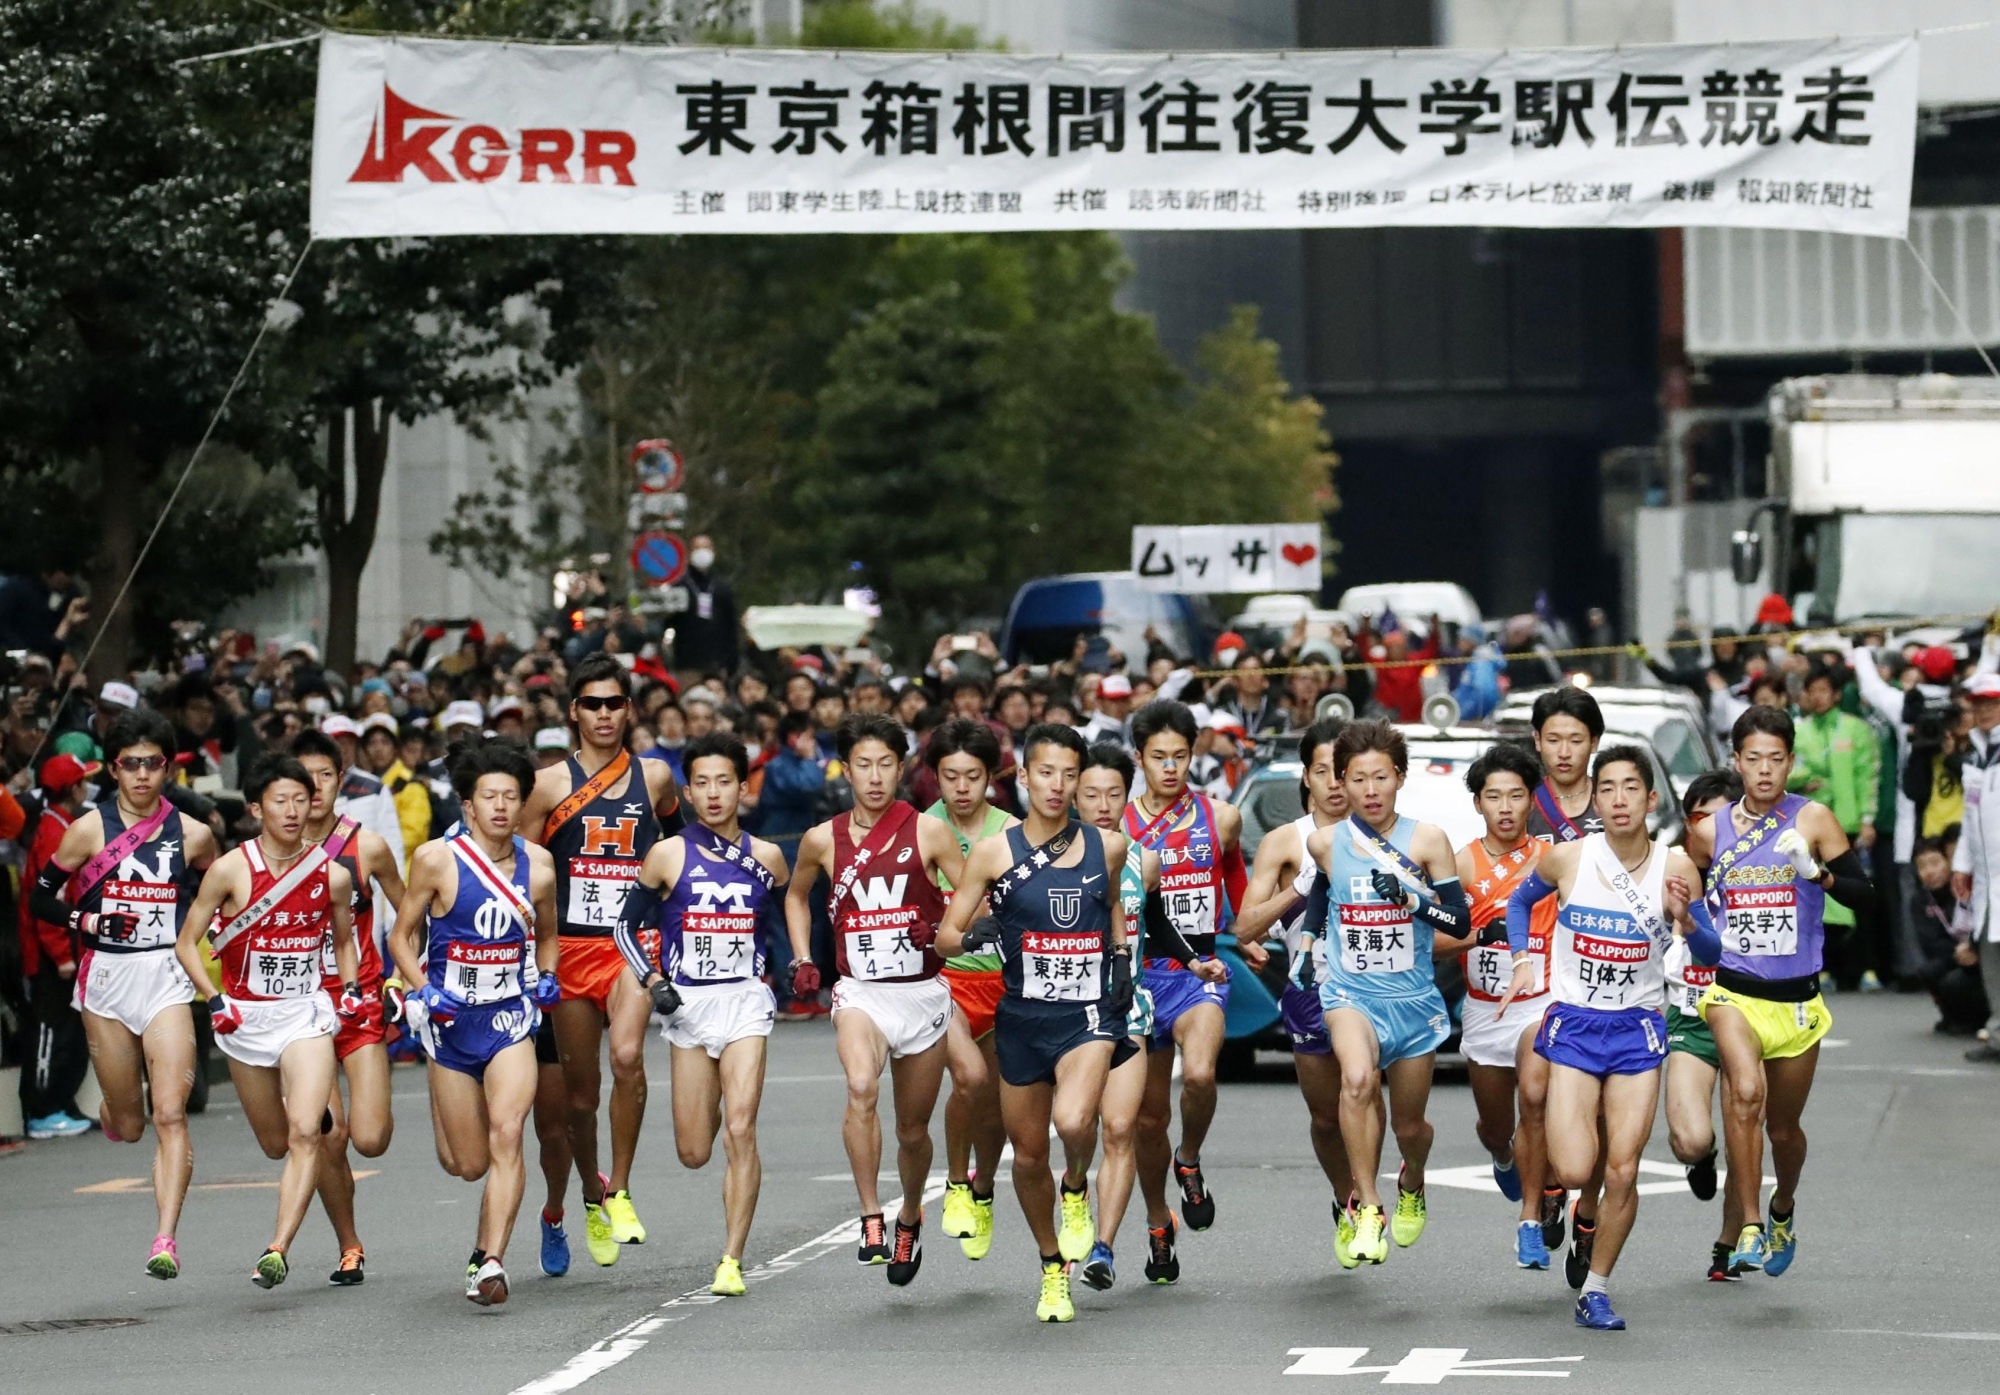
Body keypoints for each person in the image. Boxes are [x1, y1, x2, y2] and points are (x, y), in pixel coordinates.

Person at [1501, 745, 1716, 1330]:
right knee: (1575, 1168)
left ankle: (1596, 1289)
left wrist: (1690, 922)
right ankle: (1565, 1200)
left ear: (1651, 800)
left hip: (1638, 1028)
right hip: (1575, 1023)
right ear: (1595, 800)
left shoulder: (1676, 868)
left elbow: (1713, 952)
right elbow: (1520, 902)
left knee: (1623, 1168)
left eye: (1631, 789)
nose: (1619, 800)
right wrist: (1522, 957)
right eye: (1609, 789)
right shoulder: (1569, 857)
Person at [936, 723, 1135, 1323]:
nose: (1058, 785)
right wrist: (975, 933)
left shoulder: (1110, 846)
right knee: (1025, 1157)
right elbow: (944, 938)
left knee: (1075, 1120)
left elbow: (1116, 909)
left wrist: (1121, 956)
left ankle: (1076, 1185)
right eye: (1045, 772)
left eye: (1069, 775)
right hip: (1021, 1018)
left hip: (1087, 1016)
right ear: (1023, 776)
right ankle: (1052, 1267)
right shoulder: (995, 853)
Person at [29, 709, 218, 1280]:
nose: (141, 775)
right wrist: (86, 926)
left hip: (164, 976)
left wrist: (202, 937)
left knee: (169, 1112)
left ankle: (165, 1239)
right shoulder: (87, 828)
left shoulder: (195, 834)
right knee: (132, 1124)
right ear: (113, 769)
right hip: (107, 980)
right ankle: (115, 1106)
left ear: (169, 769)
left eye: (152, 764)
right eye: (130, 764)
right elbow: (40, 899)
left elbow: (226, 892)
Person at [1687, 705, 1871, 1278]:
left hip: (1796, 999)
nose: (1764, 770)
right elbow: (1684, 888)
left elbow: (1868, 895)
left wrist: (1817, 875)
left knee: (1783, 1129)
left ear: (1790, 761)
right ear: (1736, 762)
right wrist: (1691, 922)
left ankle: (1782, 1206)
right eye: (1752, 759)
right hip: (1733, 993)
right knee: (1743, 1094)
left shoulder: (1813, 819)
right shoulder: (1707, 832)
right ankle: (1746, 1224)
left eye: (1775, 759)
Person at [784, 713, 964, 1285]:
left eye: (886, 763)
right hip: (861, 992)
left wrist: (938, 929)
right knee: (861, 1086)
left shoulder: (928, 831)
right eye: (863, 764)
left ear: (903, 766)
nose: (876, 776)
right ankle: (870, 1216)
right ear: (846, 768)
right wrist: (803, 957)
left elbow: (974, 895)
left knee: (913, 1130)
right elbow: (796, 897)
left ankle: (909, 1213)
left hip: (922, 994)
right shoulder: (821, 839)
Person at [519, 654, 682, 1268]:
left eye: (615, 703)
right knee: (578, 1100)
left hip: (630, 944)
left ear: (630, 709)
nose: (605, 714)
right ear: (573, 711)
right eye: (593, 704)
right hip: (567, 949)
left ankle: (619, 1189)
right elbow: (522, 866)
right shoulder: (548, 784)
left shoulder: (657, 776)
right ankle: (584, 1195)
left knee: (628, 1054)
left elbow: (678, 845)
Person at [613, 733, 790, 1297]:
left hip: (744, 1002)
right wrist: (652, 979)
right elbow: (624, 927)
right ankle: (709, 1100)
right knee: (694, 1150)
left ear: (744, 788)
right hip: (687, 1005)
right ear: (688, 793)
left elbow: (787, 918)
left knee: (741, 1126)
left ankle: (731, 1258)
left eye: (726, 782)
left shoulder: (767, 858)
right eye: (703, 784)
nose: (715, 795)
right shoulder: (667, 854)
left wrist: (798, 964)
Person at [175, 754, 361, 1289]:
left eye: (302, 800)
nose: (293, 810)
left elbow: (345, 941)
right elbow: (188, 942)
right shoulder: (230, 869)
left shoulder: (333, 874)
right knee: (276, 1143)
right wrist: (213, 999)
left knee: (307, 1133)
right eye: (280, 801)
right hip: (245, 1018)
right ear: (257, 808)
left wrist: (348, 990)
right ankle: (305, 1117)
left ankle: (277, 1249)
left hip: (305, 1014)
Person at [387, 738, 561, 1306]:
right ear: (468, 803)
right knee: (467, 1163)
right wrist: (423, 988)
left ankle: (490, 1261)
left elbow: (549, 936)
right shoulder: (437, 859)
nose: (501, 807)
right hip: (449, 1021)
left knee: (508, 1133)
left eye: (511, 796)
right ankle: (451, 1131)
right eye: (489, 796)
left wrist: (546, 975)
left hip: (510, 1017)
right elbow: (400, 937)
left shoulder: (539, 864)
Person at [1299, 720, 1467, 1267]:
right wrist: (1306, 942)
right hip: (1352, 995)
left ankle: (1412, 1178)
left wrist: (1414, 902)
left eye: (1380, 778)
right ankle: (1368, 1206)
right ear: (1340, 783)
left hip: (1413, 1002)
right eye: (1357, 779)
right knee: (1355, 1080)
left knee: (1410, 1126)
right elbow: (1325, 890)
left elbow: (1460, 923)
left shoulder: (1428, 840)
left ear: (1400, 778)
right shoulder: (1324, 841)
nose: (1370, 791)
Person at [1120, 701, 1243, 1276]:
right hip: (1138, 979)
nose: (1170, 768)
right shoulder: (1115, 824)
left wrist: (1247, 930)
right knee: (1146, 1121)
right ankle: (1157, 1219)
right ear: (1139, 758)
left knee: (1199, 1074)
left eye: (1180, 756)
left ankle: (1189, 1159)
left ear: (1193, 755)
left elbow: (1235, 875)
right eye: (1157, 757)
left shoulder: (1219, 817)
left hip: (1200, 975)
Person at [1229, 718, 1356, 1263]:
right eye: (1322, 771)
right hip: (1310, 990)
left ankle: (1370, 1201)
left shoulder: (1385, 838)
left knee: (1364, 1093)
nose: (1333, 784)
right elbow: (1243, 927)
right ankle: (1345, 1197)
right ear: (1306, 776)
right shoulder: (1284, 842)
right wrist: (1297, 892)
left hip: (1375, 990)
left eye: (1343, 773)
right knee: (1327, 1115)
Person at [293, 730, 407, 1286]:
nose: (312, 788)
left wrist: (406, 978)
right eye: (302, 776)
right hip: (299, 1009)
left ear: (342, 781)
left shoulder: (368, 846)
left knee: (369, 1138)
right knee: (326, 1135)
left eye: (324, 775)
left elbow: (408, 917)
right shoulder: (263, 853)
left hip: (359, 1000)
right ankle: (349, 1245)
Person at [1070, 742, 1177, 1291]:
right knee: (1076, 1130)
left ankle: (1103, 1249)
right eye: (1090, 793)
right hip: (1063, 1016)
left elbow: (1155, 926)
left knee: (1120, 1128)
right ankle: (1073, 1199)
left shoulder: (1145, 860)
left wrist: (1196, 960)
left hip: (1127, 1009)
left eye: (1114, 792)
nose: (1103, 803)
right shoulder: (1051, 859)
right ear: (1072, 795)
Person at [1451, 742, 1559, 1270]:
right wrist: (1478, 935)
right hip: (1484, 1009)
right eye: (1494, 796)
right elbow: (1431, 943)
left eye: (1517, 795)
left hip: (1541, 1003)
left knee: (1535, 1098)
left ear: (1531, 800)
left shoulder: (1551, 859)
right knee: (1496, 1128)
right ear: (1478, 803)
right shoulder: (1459, 865)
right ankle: (1501, 1156)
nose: (1506, 807)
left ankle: (1531, 1221)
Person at [925, 719, 1018, 1263]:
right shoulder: (920, 829)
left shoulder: (1013, 832)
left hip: (1004, 981)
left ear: (992, 778)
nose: (961, 788)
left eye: (972, 777)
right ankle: (956, 1182)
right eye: (950, 776)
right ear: (935, 777)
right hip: (946, 979)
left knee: (998, 1109)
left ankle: (983, 1191)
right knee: (968, 1081)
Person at [1522, 685, 1606, 1256]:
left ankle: (1587, 1211)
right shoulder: (1519, 804)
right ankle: (1545, 1177)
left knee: (1596, 1104)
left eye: (1576, 739)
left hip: (1603, 969)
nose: (1565, 751)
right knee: (1534, 1090)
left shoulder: (1616, 801)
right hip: (1533, 967)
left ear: (1594, 743)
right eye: (1553, 739)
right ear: (1537, 743)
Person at [1663, 770, 1747, 1282]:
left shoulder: (1759, 873)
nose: (1710, 829)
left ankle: (1729, 1242)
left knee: (1746, 1134)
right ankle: (1702, 1159)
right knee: (1691, 1138)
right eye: (1700, 818)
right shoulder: (1664, 871)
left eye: (1722, 819)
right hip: (1690, 1018)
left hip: (1748, 1015)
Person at [17, 750, 99, 1139]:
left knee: (68, 1030)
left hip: (66, 947)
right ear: (74, 789)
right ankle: (42, 1109)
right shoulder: (55, 833)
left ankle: (62, 1103)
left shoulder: (59, 824)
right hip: (54, 953)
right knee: (50, 1029)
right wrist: (63, 957)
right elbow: (47, 902)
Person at [1788, 659, 1881, 990]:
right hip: (1810, 826)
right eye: (1812, 691)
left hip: (1850, 823)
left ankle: (1866, 968)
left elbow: (1868, 775)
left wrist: (1868, 819)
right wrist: (1807, 778)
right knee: (1814, 896)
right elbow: (1790, 769)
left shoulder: (1855, 729)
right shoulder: (1798, 730)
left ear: (1837, 694)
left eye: (1824, 691)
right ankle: (1821, 968)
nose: (1818, 697)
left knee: (1857, 894)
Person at [1950, 672, 2000, 1061]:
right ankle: (1998, 1032)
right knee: (1991, 957)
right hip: (1986, 876)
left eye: (1992, 703)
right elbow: (1969, 819)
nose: (1984, 710)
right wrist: (1962, 865)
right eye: (1979, 704)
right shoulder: (1974, 757)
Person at [1912, 833, 1988, 1035]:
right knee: (1931, 971)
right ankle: (1952, 1016)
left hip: (1981, 954)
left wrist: (1975, 949)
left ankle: (1982, 1018)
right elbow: (1929, 942)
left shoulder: (1966, 889)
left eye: (1935, 862)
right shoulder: (1921, 900)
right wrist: (1958, 953)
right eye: (1922, 866)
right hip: (1955, 955)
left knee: (1956, 982)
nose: (1929, 871)